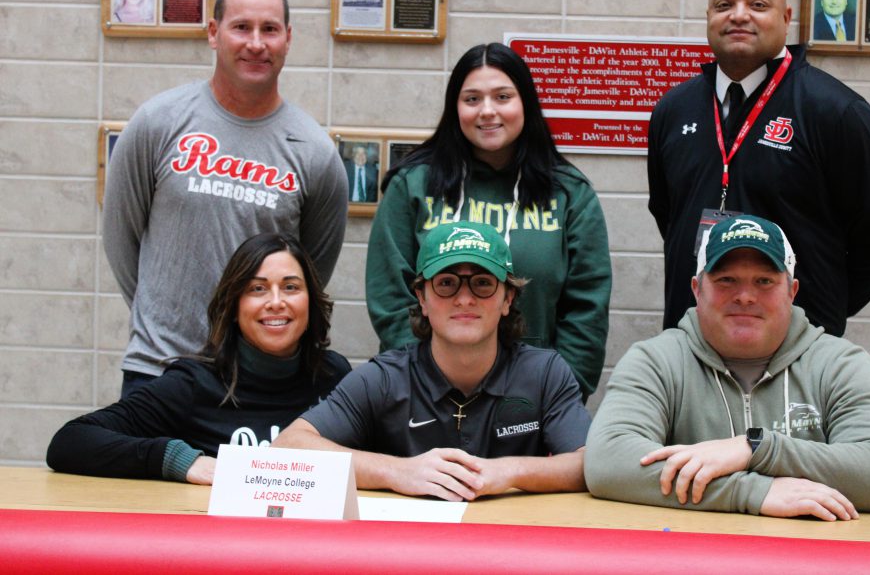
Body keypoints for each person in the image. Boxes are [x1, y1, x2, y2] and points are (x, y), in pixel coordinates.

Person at [103, 0, 348, 398]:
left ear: (288, 38)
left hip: (260, 380)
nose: (256, 43)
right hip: (159, 370)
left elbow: (310, 271)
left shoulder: (314, 152)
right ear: (214, 33)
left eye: (269, 29)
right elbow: (120, 238)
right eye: (242, 27)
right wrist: (160, 320)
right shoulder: (157, 123)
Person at [647, 0, 870, 337]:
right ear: (708, 16)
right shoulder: (672, 110)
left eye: (757, 4)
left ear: (786, 18)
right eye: (724, 5)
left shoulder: (836, 113)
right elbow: (669, 216)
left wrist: (819, 308)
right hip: (692, 348)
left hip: (797, 355)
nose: (738, 16)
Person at [585, 214, 870, 521]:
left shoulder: (839, 364)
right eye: (726, 279)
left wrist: (755, 449)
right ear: (697, 290)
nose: (745, 296)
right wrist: (753, 491)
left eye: (764, 281)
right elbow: (609, 462)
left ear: (792, 291)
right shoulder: (656, 361)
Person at [273, 221, 590, 502]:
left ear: (507, 298)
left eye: (482, 282)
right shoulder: (385, 378)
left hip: (511, 547)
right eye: (446, 283)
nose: (464, 298)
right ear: (422, 298)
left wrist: (508, 471)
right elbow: (289, 446)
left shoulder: (545, 373)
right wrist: (398, 472)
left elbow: (588, 463)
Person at [365, 42, 611, 398]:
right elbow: (390, 298)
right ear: (455, 108)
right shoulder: (413, 185)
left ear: (525, 102)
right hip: (426, 391)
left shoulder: (570, 193)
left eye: (502, 97)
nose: (487, 111)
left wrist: (560, 395)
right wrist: (425, 383)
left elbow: (587, 309)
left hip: (534, 397)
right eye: (472, 99)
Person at [47, 233, 351, 484]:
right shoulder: (194, 384)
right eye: (257, 289)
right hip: (221, 549)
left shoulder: (334, 376)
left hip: (311, 548)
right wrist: (179, 460)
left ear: (310, 300)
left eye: (290, 287)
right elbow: (70, 442)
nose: (276, 302)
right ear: (233, 307)